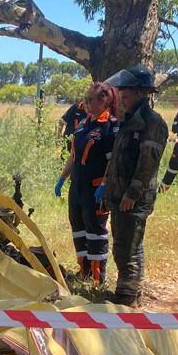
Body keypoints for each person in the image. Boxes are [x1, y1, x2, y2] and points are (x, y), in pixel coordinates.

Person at [96, 65, 168, 306]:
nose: (122, 98)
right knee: (122, 246)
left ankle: (127, 299)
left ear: (140, 93)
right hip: (119, 194)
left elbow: (147, 163)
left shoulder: (152, 122)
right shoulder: (129, 120)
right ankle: (129, 293)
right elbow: (117, 158)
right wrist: (108, 187)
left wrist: (132, 193)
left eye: (126, 94)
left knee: (130, 249)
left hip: (133, 197)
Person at [54, 82, 118, 283]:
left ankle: (98, 279)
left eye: (91, 100)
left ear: (104, 101)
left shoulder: (110, 126)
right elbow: (74, 156)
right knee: (79, 228)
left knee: (95, 232)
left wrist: (105, 185)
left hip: (95, 188)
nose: (86, 104)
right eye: (85, 100)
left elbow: (113, 161)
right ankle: (84, 273)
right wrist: (62, 178)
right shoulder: (83, 124)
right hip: (77, 187)